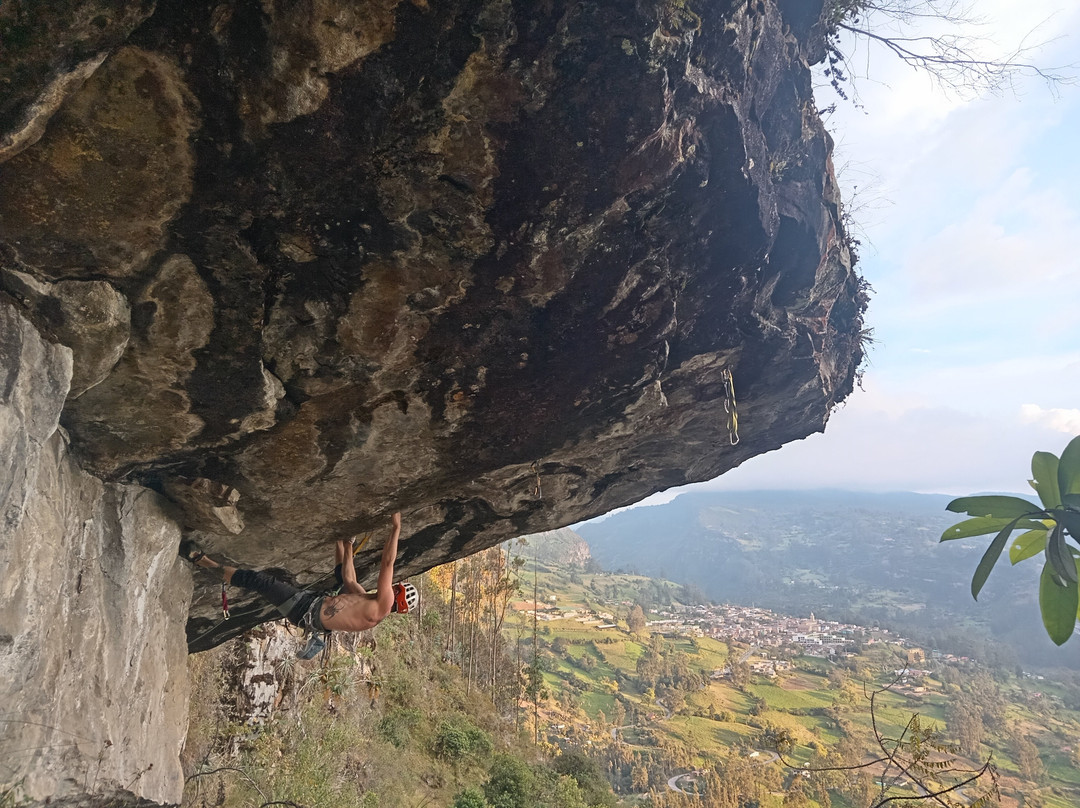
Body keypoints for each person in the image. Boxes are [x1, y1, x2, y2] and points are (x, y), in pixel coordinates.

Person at [181, 512, 417, 634]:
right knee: (340, 582)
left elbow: (388, 563)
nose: (392, 585)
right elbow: (348, 578)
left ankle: (202, 561)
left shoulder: (383, 605)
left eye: (396, 588)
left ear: (396, 595)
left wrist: (396, 527)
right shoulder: (370, 604)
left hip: (305, 609)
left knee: (261, 581)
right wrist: (346, 545)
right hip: (307, 612)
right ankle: (204, 563)